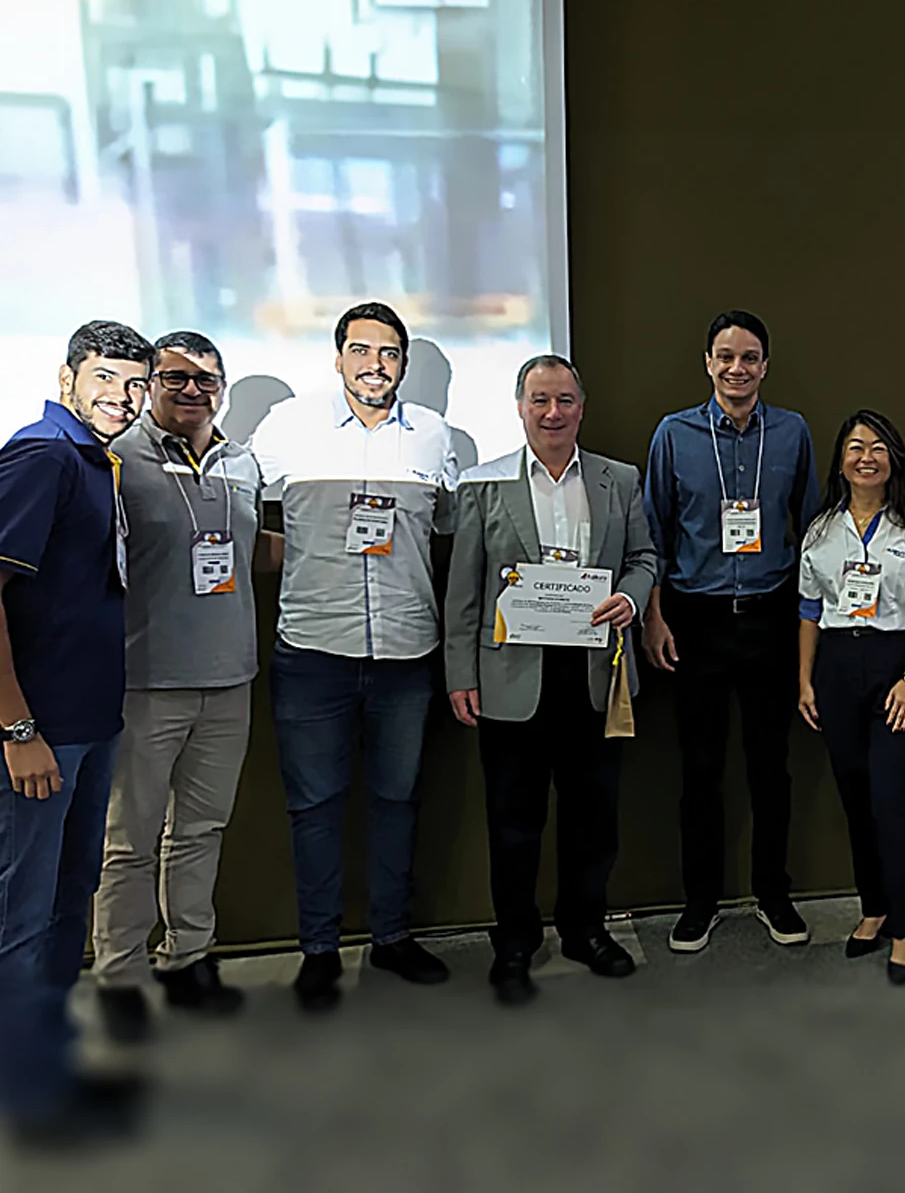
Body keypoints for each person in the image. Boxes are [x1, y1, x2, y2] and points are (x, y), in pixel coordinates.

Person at [250, 301, 458, 1011]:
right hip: (315, 651)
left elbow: (446, 527)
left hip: (406, 649)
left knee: (398, 802)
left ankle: (393, 938)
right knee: (314, 808)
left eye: (389, 353)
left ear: (404, 363)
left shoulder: (433, 435)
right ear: (338, 357)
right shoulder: (288, 428)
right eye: (362, 350)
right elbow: (231, 506)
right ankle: (319, 951)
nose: (376, 364)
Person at [444, 355, 656, 1005]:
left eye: (565, 400)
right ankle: (514, 940)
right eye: (540, 400)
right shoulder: (483, 486)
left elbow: (645, 557)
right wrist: (459, 673)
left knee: (594, 819)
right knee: (513, 822)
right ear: (520, 408)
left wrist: (632, 596)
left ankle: (585, 930)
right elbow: (464, 591)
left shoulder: (620, 480)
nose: (553, 412)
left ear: (581, 408)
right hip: (511, 678)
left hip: (594, 676)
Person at [92, 332, 281, 1042]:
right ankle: (120, 975)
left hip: (230, 680)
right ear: (149, 385)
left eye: (207, 379)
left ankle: (188, 959)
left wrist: (326, 545)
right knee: (129, 842)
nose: (193, 391)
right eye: (176, 378)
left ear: (222, 390)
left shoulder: (241, 462)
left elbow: (243, 549)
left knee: (200, 832)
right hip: (145, 683)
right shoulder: (117, 459)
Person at [0, 321, 153, 1144]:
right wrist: (16, 726)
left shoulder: (97, 462)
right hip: (42, 732)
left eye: (135, 384)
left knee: (67, 905)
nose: (122, 398)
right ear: (67, 379)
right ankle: (27, 1095)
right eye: (104, 378)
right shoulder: (43, 457)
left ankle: (49, 1073)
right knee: (22, 919)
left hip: (89, 724)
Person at [642, 310, 821, 953]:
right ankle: (700, 902)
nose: (736, 368)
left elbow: (812, 526)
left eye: (749, 357)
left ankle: (774, 893)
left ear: (765, 366)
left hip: (770, 617)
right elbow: (653, 533)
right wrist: (655, 616)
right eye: (725, 357)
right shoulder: (675, 434)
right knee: (700, 769)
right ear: (708, 364)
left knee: (771, 767)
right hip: (696, 620)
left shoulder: (792, 432)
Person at [799, 410, 905, 984]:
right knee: (856, 797)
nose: (867, 457)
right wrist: (805, 680)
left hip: (897, 667)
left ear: (894, 460)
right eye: (856, 447)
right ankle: (875, 908)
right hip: (838, 667)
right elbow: (809, 611)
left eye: (878, 448)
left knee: (895, 801)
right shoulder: (821, 530)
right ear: (841, 460)